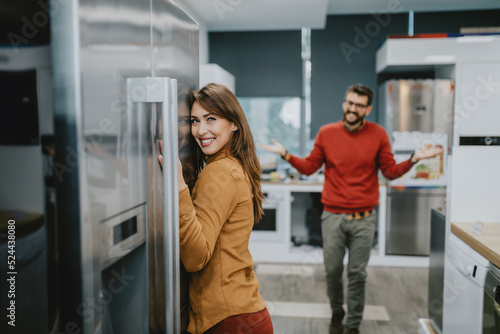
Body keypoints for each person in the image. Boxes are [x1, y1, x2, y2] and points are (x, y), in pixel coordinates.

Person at [258, 83, 443, 334]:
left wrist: (413, 159)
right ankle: (337, 311)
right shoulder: (326, 133)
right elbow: (310, 167)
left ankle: (353, 324)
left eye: (358, 105)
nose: (352, 108)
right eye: (349, 102)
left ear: (368, 109)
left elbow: (389, 172)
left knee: (357, 274)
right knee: (332, 271)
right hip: (332, 217)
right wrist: (286, 154)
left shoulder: (378, 134)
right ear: (344, 103)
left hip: (364, 218)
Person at [159, 83, 273, 334]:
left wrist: (178, 187)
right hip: (242, 313)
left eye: (211, 119)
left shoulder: (219, 172)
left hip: (227, 320)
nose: (201, 130)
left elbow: (195, 258)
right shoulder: (233, 165)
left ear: (234, 123)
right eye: (194, 120)